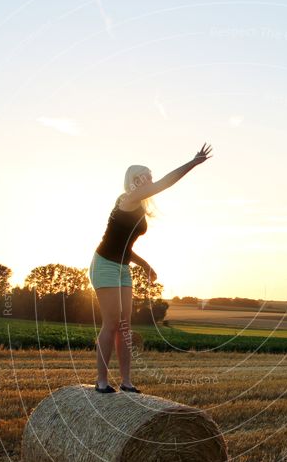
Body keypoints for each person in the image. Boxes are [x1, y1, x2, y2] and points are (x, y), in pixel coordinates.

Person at [88, 143, 213, 393]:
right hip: (104, 265)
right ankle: (101, 382)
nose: (151, 180)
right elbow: (166, 183)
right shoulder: (128, 198)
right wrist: (192, 163)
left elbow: (123, 245)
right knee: (111, 323)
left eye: (151, 176)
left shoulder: (139, 207)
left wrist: (144, 264)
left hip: (122, 267)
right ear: (135, 180)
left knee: (124, 325)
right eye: (147, 176)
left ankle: (126, 381)